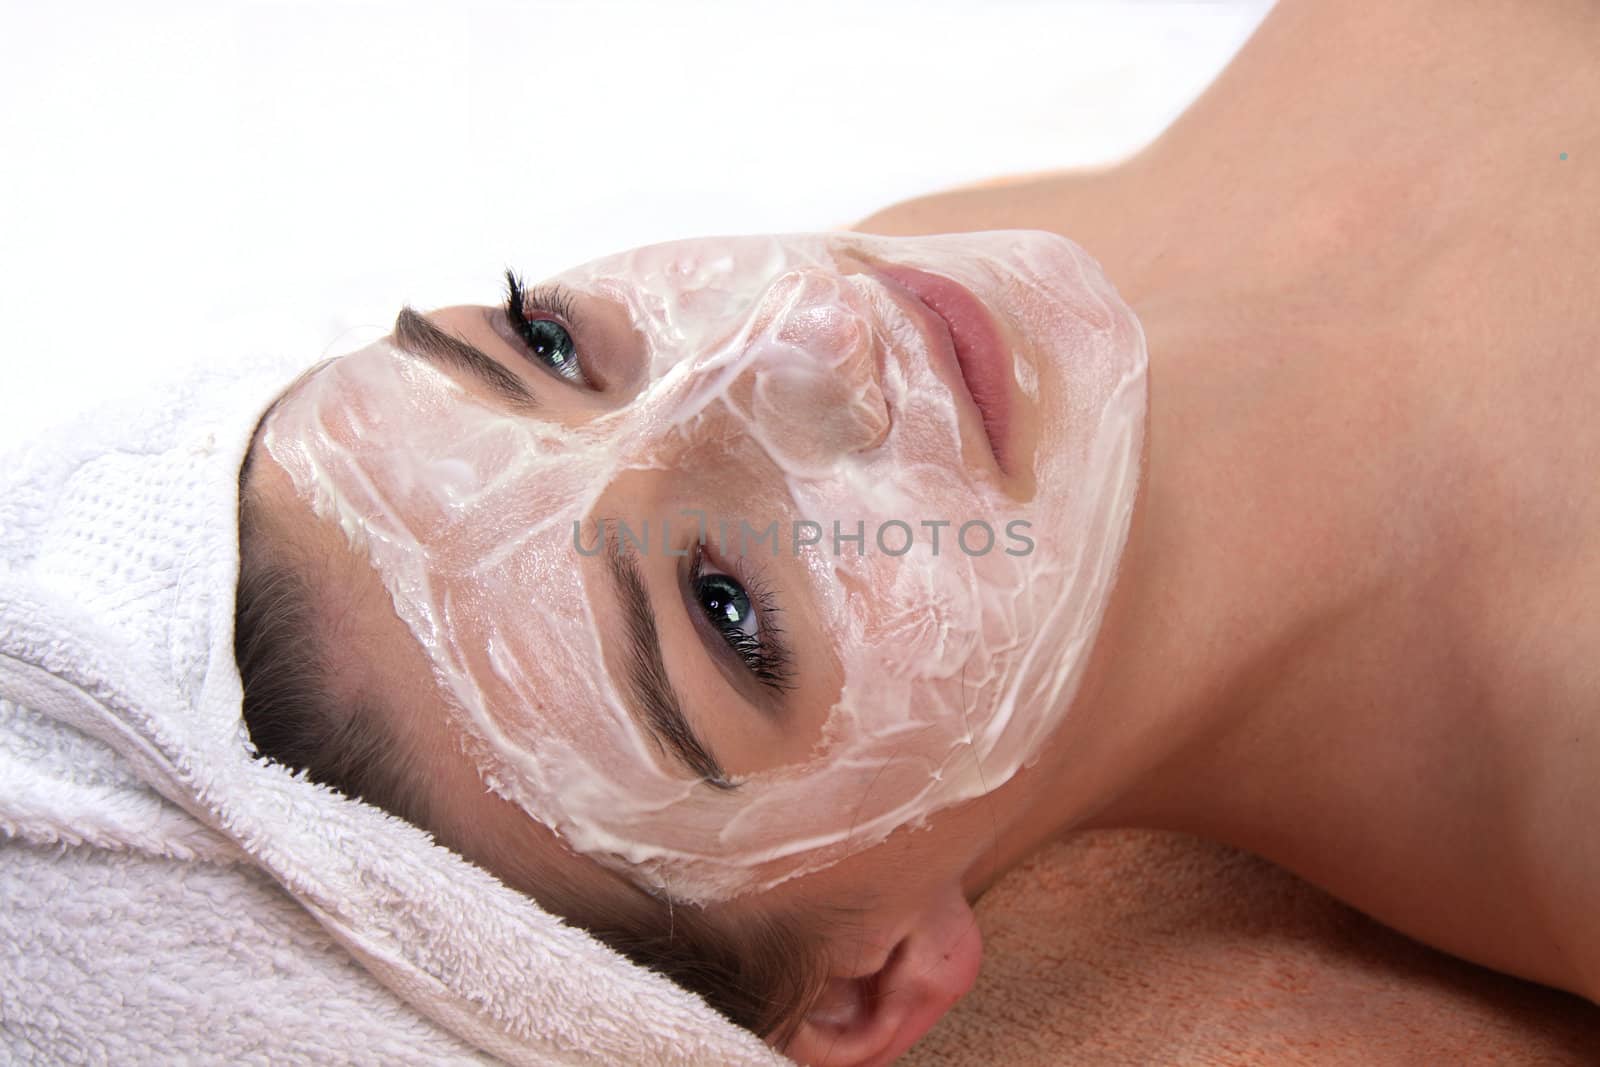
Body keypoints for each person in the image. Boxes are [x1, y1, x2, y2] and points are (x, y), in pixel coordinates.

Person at [233, 1, 1600, 1064]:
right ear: (869, 986)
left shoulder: (945, 275)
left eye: (549, 345)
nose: (804, 329)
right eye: (727, 607)